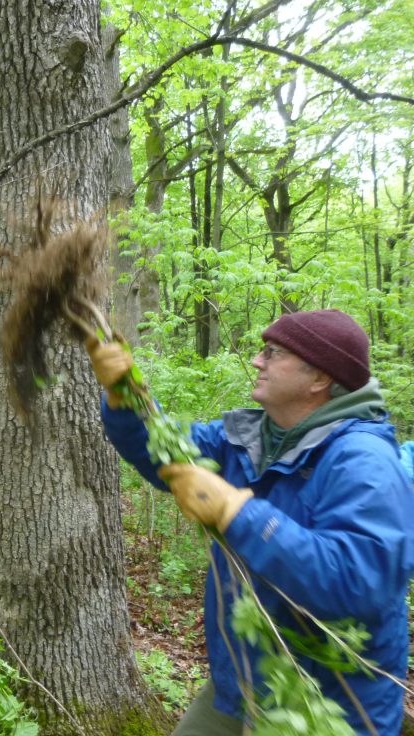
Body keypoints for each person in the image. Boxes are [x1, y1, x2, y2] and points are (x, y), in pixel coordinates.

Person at [88, 309, 414, 736]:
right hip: (242, 682)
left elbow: (359, 582)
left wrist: (238, 513)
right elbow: (165, 454)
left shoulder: (363, 461)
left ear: (319, 377)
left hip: (326, 704)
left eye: (273, 352)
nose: (258, 361)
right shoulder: (249, 438)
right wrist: (123, 396)